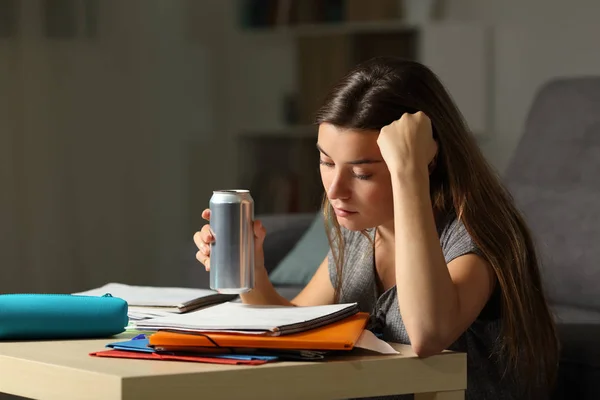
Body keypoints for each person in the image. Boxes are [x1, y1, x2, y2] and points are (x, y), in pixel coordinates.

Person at [194, 57, 559, 399]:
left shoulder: (473, 237)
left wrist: (410, 174)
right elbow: (293, 324)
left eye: (362, 173)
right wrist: (253, 272)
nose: (335, 190)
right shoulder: (362, 234)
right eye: (326, 161)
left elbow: (428, 334)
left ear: (425, 162)